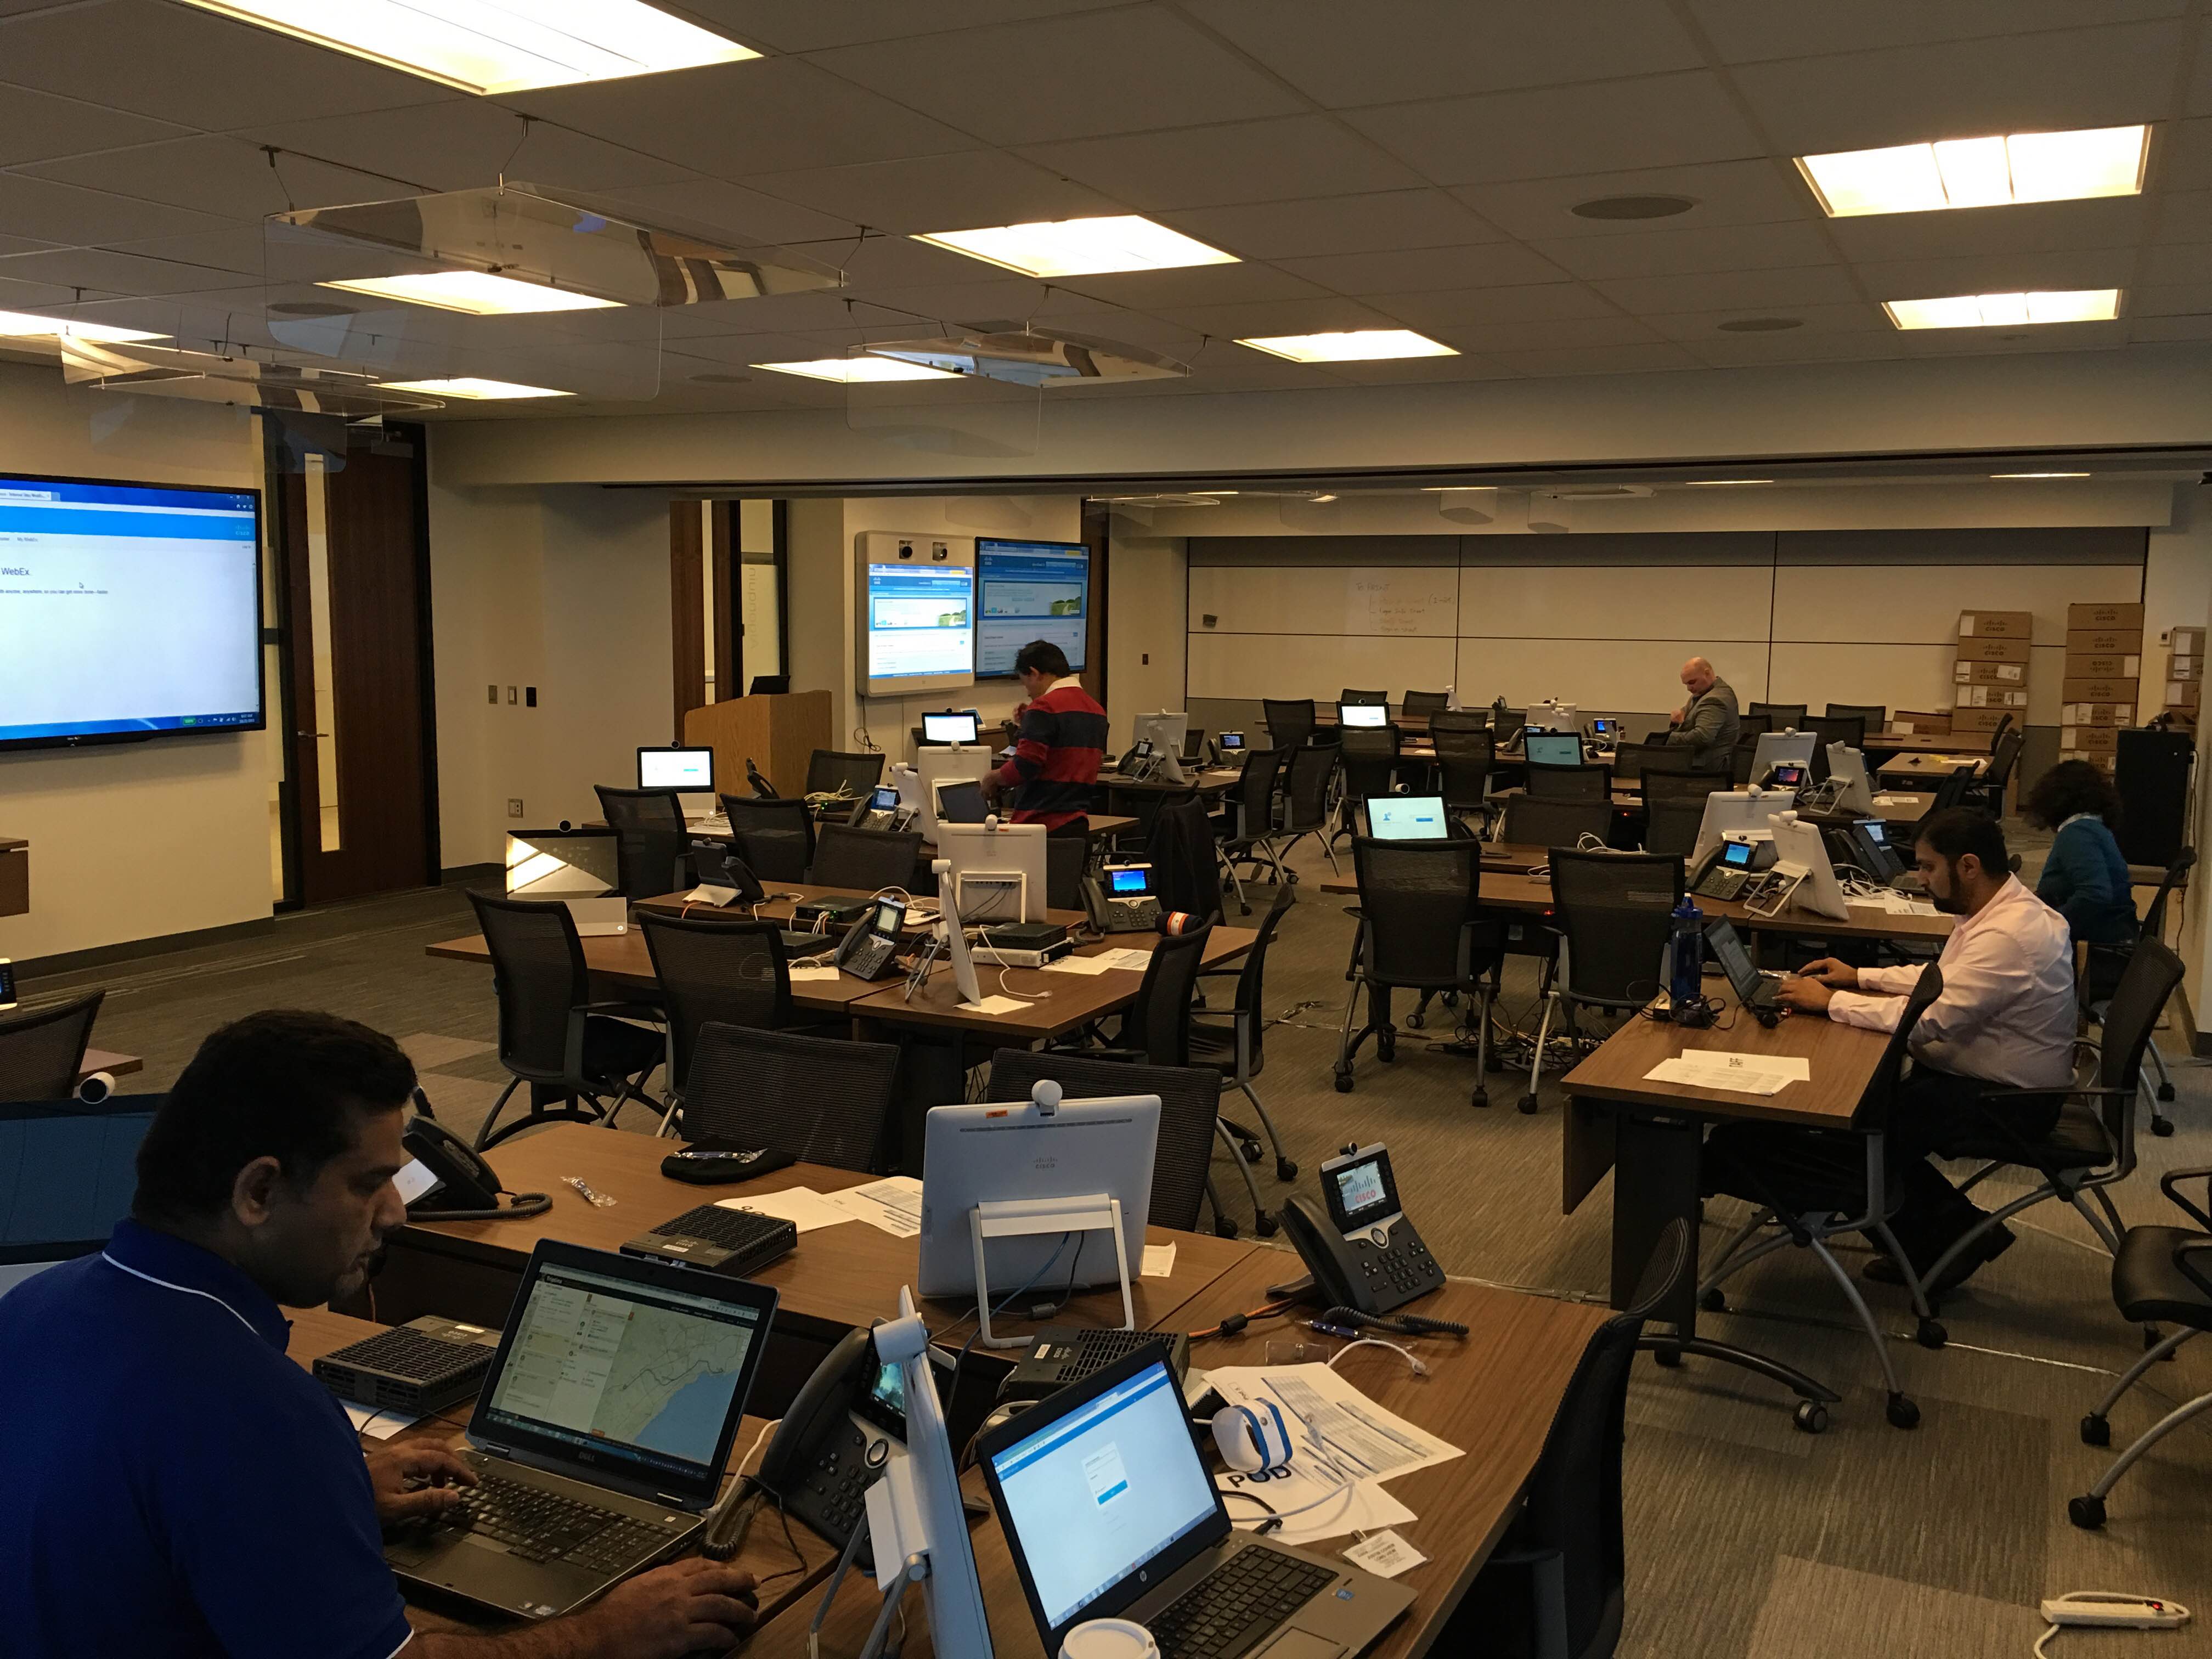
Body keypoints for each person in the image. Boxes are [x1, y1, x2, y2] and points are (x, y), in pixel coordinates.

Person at [0, 1010, 761, 1659]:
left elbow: (127, 1521)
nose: (396, 1214)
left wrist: (320, 1507)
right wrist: (603, 1634)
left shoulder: (33, 1309)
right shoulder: (255, 1410)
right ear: (259, 1191)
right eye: (369, 1183)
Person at [1703, 810, 2076, 1295]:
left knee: (1857, 1131)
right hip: (1985, 1082)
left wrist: (1831, 1002)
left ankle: (1943, 1242)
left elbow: (1930, 1020)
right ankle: (1953, 1236)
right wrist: (1860, 976)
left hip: (2008, 1102)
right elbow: (1940, 982)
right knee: (1867, 1118)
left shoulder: (2009, 935)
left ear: (1968, 866)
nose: (1920, 879)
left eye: (1927, 867)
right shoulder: (1999, 911)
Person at [981, 639, 1107, 835]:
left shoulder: (1044, 707)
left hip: (1040, 826)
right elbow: (1062, 752)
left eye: (1026, 684)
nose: (1028, 692)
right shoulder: (1096, 709)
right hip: (1076, 825)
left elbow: (1025, 766)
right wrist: (1028, 724)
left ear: (1034, 673)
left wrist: (993, 778)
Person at [2023, 759, 2138, 947]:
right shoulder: (2094, 827)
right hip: (2114, 934)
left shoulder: (2077, 833)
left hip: (2094, 943)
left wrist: (2051, 927)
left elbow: (2095, 894)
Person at [1663, 657, 1740, 770]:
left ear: (1707, 673)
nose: (1689, 688)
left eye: (1692, 682)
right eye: (1686, 684)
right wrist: (1682, 713)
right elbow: (1693, 711)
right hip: (1700, 762)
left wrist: (1670, 737)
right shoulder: (1705, 692)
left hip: (1706, 768)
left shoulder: (1715, 699)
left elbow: (1702, 737)